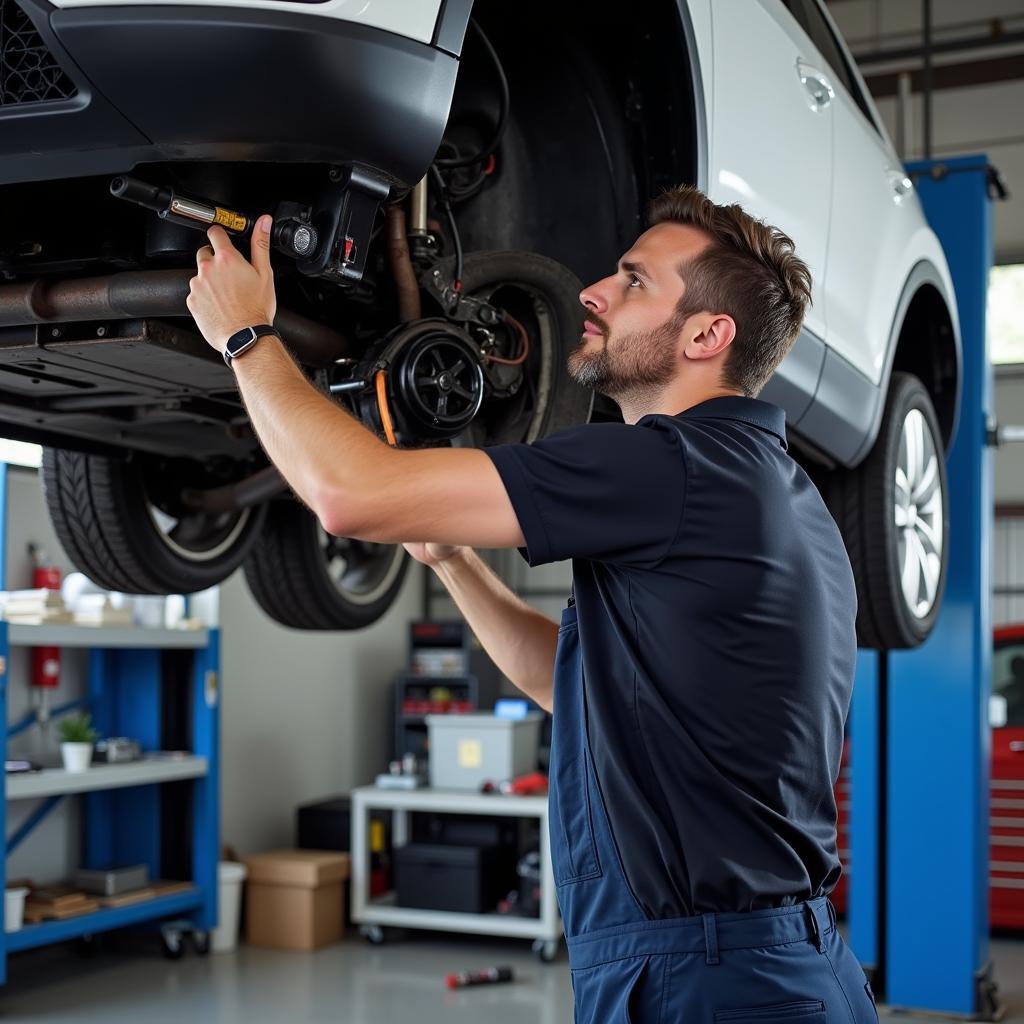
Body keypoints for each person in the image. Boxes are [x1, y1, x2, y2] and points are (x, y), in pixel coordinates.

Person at [187, 184, 876, 1022]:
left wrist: (247, 336)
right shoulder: (784, 497)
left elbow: (345, 496)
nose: (592, 291)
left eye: (633, 282)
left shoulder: (671, 465)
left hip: (708, 979)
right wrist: (455, 566)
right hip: (768, 965)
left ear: (707, 334)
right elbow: (575, 685)